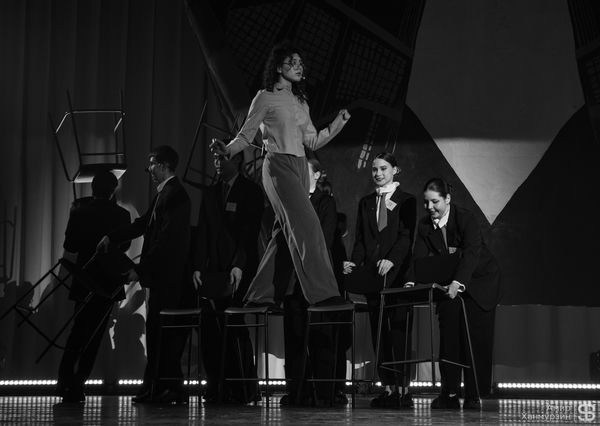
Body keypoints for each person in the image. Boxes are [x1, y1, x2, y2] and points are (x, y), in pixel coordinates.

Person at [210, 41, 351, 308]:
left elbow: (313, 141)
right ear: (278, 67)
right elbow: (246, 135)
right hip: (277, 166)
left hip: (300, 166)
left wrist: (338, 123)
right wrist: (227, 150)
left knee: (284, 235)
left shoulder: (301, 101)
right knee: (309, 227)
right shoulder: (265, 97)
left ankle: (259, 296)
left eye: (300, 63)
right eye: (292, 63)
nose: (298, 67)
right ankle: (323, 294)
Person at [97, 145, 192, 404]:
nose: (149, 169)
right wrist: (112, 237)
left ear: (162, 165)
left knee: (163, 335)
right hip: (161, 278)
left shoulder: (175, 195)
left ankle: (164, 388)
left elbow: (166, 242)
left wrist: (139, 270)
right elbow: (143, 226)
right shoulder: (166, 194)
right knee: (159, 334)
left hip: (168, 280)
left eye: (151, 164)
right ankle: (159, 388)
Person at [404, 177, 501, 410]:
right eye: (426, 202)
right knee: (449, 336)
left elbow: (472, 253)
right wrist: (410, 281)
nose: (429, 207)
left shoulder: (466, 218)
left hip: (479, 282)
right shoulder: (425, 225)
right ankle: (449, 392)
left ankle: (474, 394)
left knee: (474, 338)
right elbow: (418, 258)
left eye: (435, 202)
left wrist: (458, 282)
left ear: (447, 199)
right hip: (450, 286)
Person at [343, 152, 416, 408]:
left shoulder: (407, 200)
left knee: (398, 332)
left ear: (395, 170)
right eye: (374, 169)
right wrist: (355, 263)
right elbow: (361, 239)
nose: (378, 173)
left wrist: (392, 260)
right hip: (374, 276)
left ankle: (403, 389)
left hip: (397, 276)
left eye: (383, 168)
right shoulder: (366, 202)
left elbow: (406, 237)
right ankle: (387, 387)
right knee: (379, 332)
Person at [192, 151, 264, 403]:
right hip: (213, 270)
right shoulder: (211, 192)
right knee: (211, 328)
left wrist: (239, 265)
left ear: (237, 161)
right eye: (215, 159)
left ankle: (244, 388)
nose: (218, 163)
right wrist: (198, 266)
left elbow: (249, 232)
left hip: (239, 269)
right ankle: (217, 386)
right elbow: (203, 231)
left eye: (223, 159)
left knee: (234, 324)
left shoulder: (251, 191)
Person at [56, 170, 131, 403]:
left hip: (83, 276)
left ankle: (63, 380)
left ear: (92, 188)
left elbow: (70, 245)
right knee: (95, 335)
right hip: (108, 280)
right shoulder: (122, 214)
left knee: (77, 331)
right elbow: (125, 246)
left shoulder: (79, 210)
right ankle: (78, 383)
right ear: (113, 190)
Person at [281, 158, 349, 406]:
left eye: (304, 169)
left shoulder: (325, 202)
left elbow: (325, 238)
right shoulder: (291, 200)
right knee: (295, 337)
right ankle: (297, 390)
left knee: (322, 337)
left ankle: (325, 391)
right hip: (293, 279)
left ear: (318, 175)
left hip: (317, 278)